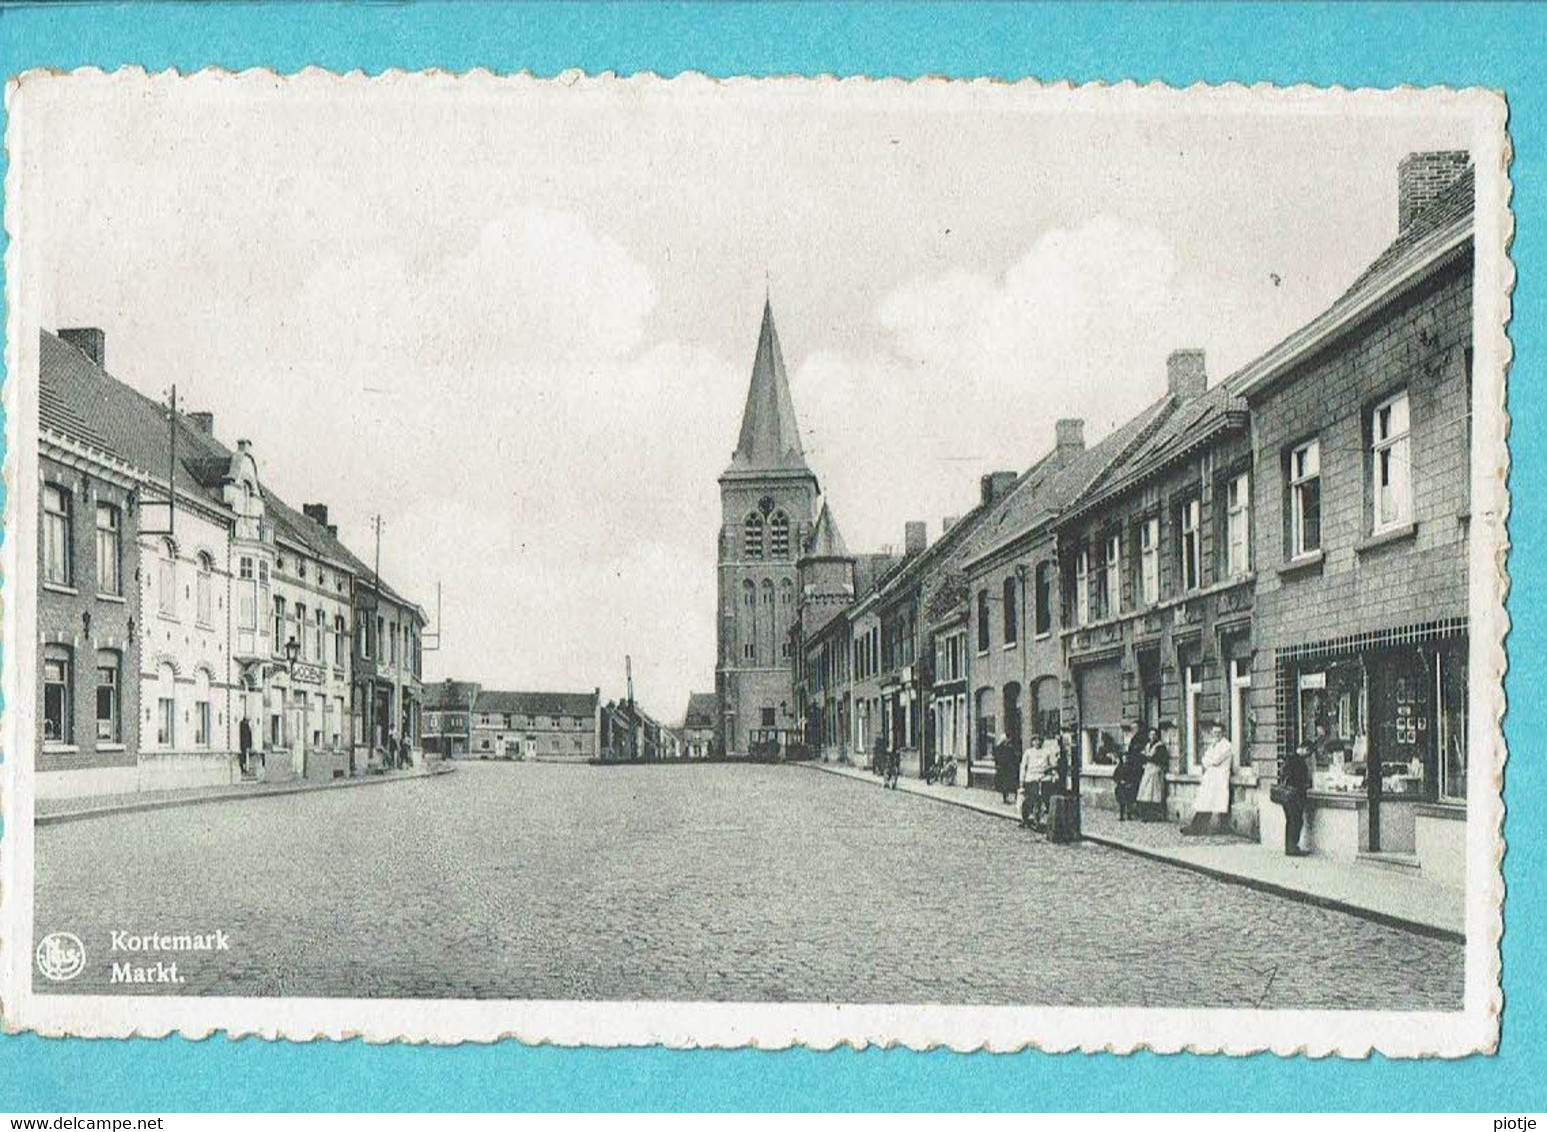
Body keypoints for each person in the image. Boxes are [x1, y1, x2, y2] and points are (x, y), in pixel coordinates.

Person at [1182, 721, 1235, 836]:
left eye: (1219, 732)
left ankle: (1201, 828)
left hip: (1219, 778)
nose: (1216, 735)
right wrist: (1209, 761)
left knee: (1211, 803)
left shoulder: (1226, 745)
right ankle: (1197, 827)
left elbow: (1216, 760)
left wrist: (1209, 761)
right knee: (1204, 802)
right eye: (1214, 732)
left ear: (1223, 733)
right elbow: (1204, 760)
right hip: (1211, 778)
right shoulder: (1213, 745)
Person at [1278, 743, 1312, 856]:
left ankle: (1290, 847)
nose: (1308, 756)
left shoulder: (1290, 758)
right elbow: (1299, 779)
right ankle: (1292, 847)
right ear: (1304, 749)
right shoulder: (1297, 761)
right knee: (1296, 821)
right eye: (1309, 753)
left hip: (1287, 796)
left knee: (1291, 821)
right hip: (1293, 796)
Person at [1136, 720, 1172, 821]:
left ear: (1157, 736)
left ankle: (1155, 815)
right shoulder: (1148, 745)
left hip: (1155, 770)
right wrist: (1145, 757)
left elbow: (1161, 759)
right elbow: (1142, 757)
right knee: (1145, 791)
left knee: (1153, 792)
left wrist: (1148, 757)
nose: (1152, 737)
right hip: (1148, 769)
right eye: (1150, 735)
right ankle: (1146, 814)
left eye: (1154, 735)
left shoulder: (1160, 746)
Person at [1115, 721, 1148, 822]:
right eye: (1132, 728)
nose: (1132, 730)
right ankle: (1127, 812)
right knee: (1127, 792)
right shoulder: (1133, 738)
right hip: (1131, 768)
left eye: (1134, 728)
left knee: (1134, 790)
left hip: (1136, 768)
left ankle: (1134, 812)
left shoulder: (1140, 738)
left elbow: (1139, 753)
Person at [993, 732, 1018, 803]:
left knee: (1008, 783)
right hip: (1005, 768)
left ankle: (1008, 797)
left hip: (1006, 768)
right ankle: (1006, 798)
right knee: (1006, 783)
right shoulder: (1003, 748)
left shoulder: (1006, 747)